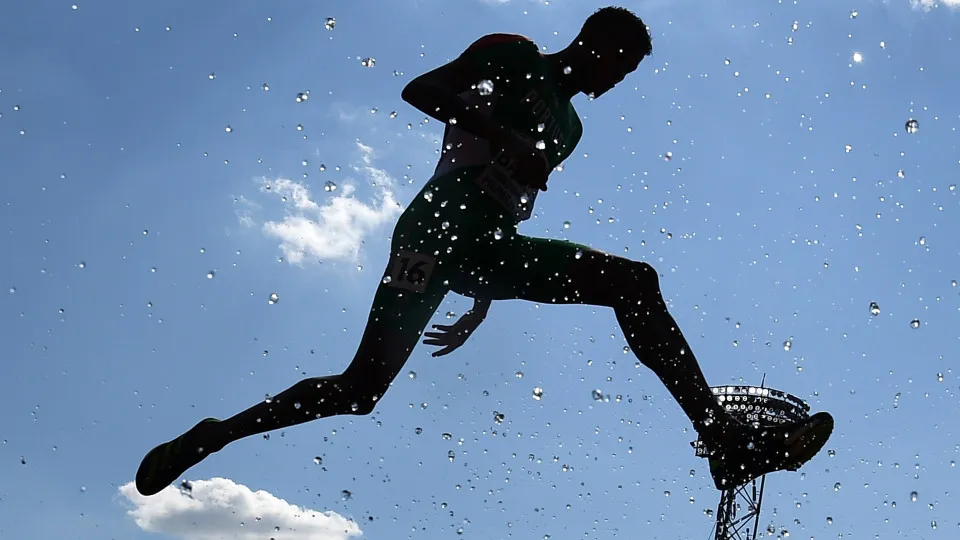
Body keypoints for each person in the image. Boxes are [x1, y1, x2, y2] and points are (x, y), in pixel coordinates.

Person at [135, 6, 833, 497]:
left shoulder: (571, 127)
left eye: (627, 75)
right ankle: (215, 434)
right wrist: (503, 134)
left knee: (633, 281)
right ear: (592, 41)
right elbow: (424, 90)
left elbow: (509, 203)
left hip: (486, 248)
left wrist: (481, 302)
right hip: (435, 229)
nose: (615, 83)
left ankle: (725, 443)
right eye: (617, 64)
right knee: (360, 391)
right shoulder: (515, 56)